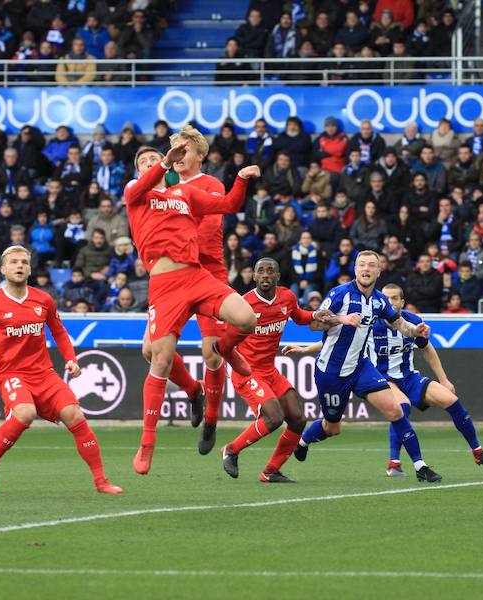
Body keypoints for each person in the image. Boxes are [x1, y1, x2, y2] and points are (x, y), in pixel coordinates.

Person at [124, 140, 260, 474]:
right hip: (166, 286)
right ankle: (147, 443)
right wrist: (163, 163)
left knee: (247, 318)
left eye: (154, 157)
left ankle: (228, 350)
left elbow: (228, 204)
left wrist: (241, 179)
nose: (151, 162)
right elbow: (142, 183)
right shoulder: (136, 192)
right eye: (145, 160)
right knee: (159, 357)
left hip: (198, 276)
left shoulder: (183, 194)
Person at [0, 245, 121, 495]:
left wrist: (71, 359)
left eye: (24, 262)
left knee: (75, 414)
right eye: (14, 262)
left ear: (29, 269)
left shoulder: (43, 299)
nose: (19, 266)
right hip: (12, 374)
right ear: (3, 269)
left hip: (44, 373)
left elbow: (59, 332)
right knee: (26, 413)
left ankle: (101, 481)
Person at [291, 251, 443, 482]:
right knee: (333, 428)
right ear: (355, 269)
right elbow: (313, 323)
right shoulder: (339, 293)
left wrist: (415, 331)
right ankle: (303, 442)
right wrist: (341, 319)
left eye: (372, 265)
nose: (366, 268)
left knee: (395, 410)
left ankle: (420, 466)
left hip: (361, 367)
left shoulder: (380, 300)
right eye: (362, 264)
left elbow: (400, 325)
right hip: (331, 372)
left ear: (379, 271)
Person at [137, 126, 240, 446]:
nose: (179, 155)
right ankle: (192, 390)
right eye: (175, 149)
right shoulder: (164, 184)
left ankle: (211, 420)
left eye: (185, 149)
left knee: (211, 354)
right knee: (148, 350)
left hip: (205, 270)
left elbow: (208, 225)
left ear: (199, 154)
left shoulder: (209, 185)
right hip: (172, 277)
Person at [217, 258, 355, 482]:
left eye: (270, 271)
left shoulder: (287, 297)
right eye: (260, 271)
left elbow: (299, 317)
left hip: (269, 371)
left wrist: (314, 315)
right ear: (253, 277)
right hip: (247, 372)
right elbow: (225, 340)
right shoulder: (244, 304)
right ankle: (231, 450)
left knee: (298, 419)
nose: (265, 275)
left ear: (278, 276)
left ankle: (270, 471)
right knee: (273, 417)